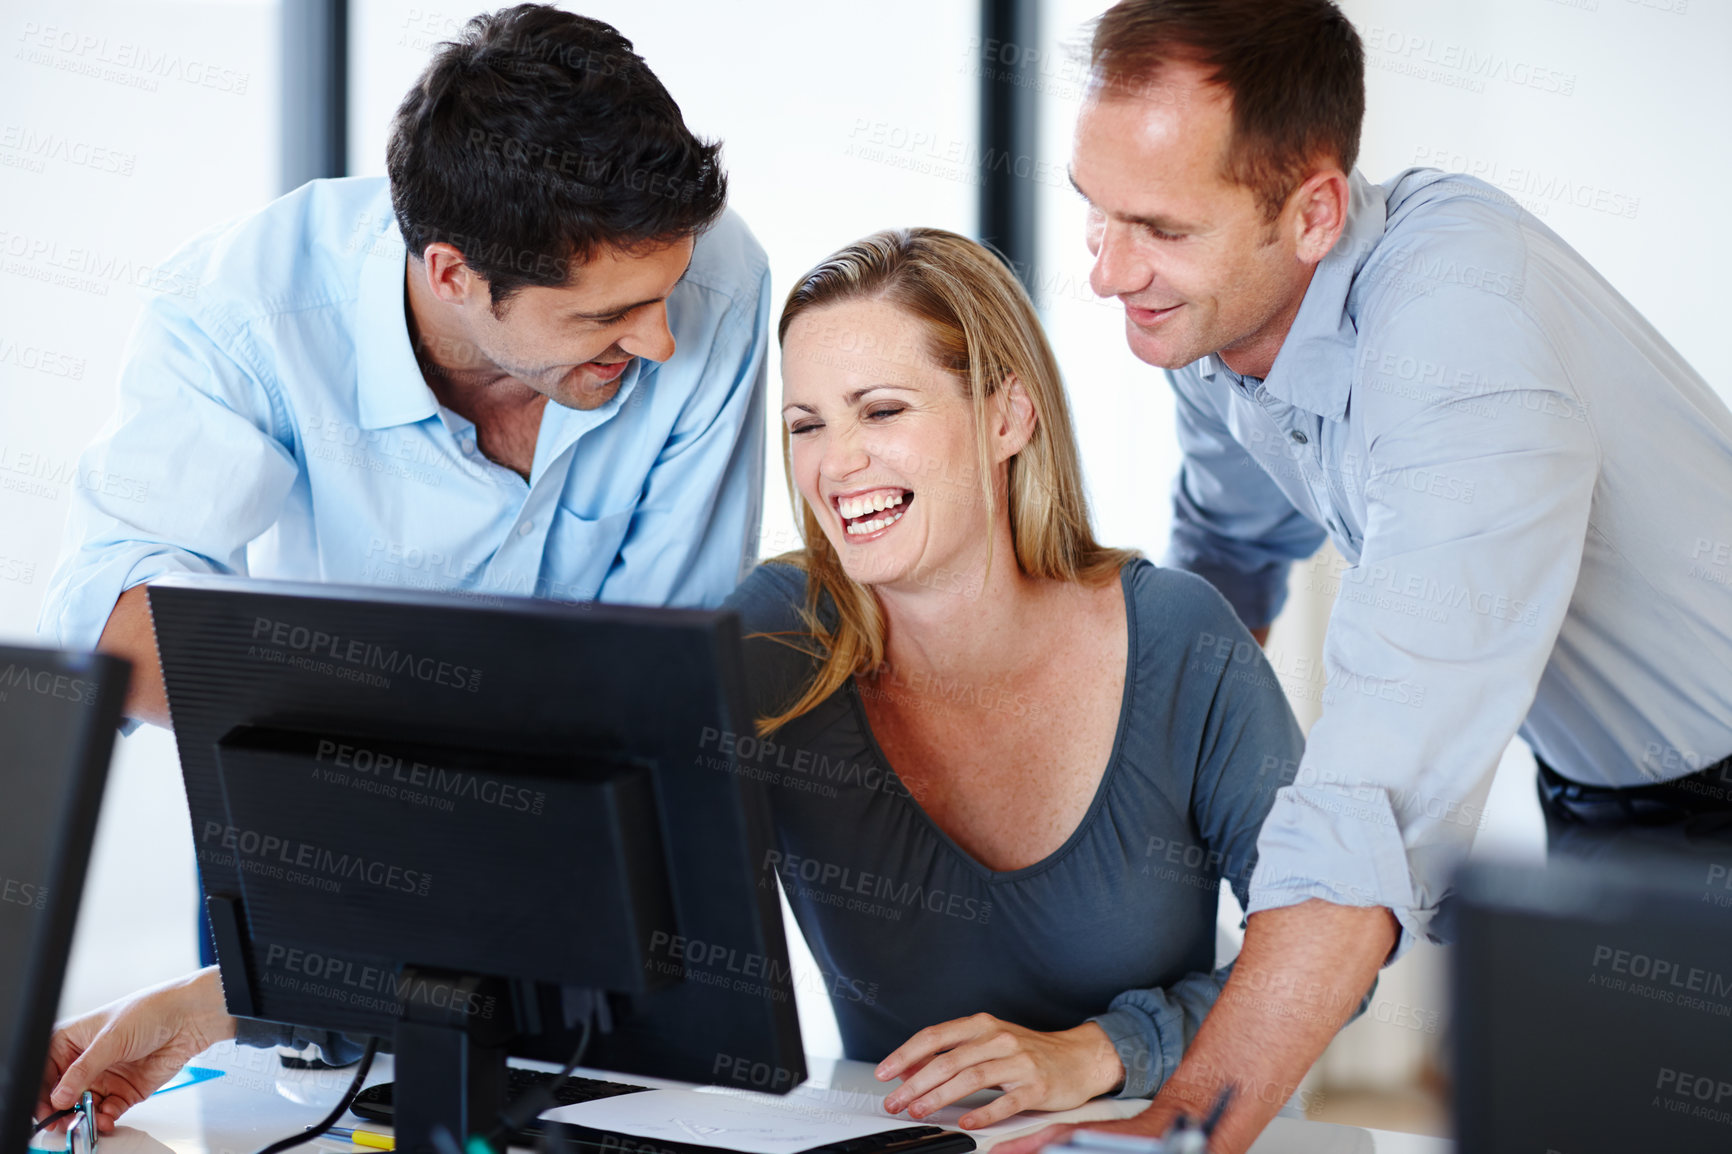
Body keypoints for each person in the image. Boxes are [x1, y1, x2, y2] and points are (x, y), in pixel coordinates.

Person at [36, 229, 1309, 1135]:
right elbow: (542, 885)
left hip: (1166, 1129)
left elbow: (1327, 941)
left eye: (879, 409)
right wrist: (205, 1005)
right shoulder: (774, 634)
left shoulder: (1181, 638)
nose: (835, 462)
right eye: (805, 424)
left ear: (1008, 415)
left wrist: (1097, 1049)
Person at [996, 2, 1732, 1152]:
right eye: (1093, 209)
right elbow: (1229, 544)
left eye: (1155, 227)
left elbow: (1370, 810)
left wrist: (1176, 1127)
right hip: (1609, 793)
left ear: (1313, 212)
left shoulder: (1457, 349)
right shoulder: (1218, 314)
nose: (1105, 271)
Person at [38, 3, 770, 731]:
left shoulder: (719, 283)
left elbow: (671, 661)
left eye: (664, 296)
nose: (663, 344)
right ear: (453, 276)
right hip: (320, 806)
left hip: (605, 798)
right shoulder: (244, 308)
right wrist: (419, 705)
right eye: (604, 317)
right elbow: (111, 622)